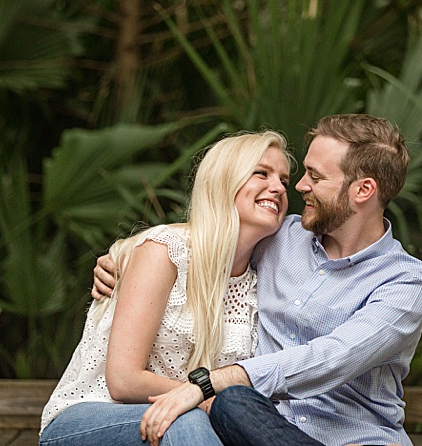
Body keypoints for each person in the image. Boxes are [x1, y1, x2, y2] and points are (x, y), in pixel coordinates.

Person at [94, 114, 422, 446]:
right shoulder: (278, 236)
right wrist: (124, 256)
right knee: (233, 404)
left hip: (355, 439)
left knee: (230, 397)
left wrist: (214, 382)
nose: (300, 187)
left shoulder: (405, 283)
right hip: (258, 428)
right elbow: (207, 240)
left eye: (315, 177)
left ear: (363, 190)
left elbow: (332, 357)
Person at [40, 130, 292, 445]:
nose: (278, 188)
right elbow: (123, 381)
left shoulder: (263, 281)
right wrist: (202, 397)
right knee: (182, 417)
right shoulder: (166, 251)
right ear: (225, 180)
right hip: (92, 420)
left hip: (194, 426)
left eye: (284, 180)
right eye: (261, 173)